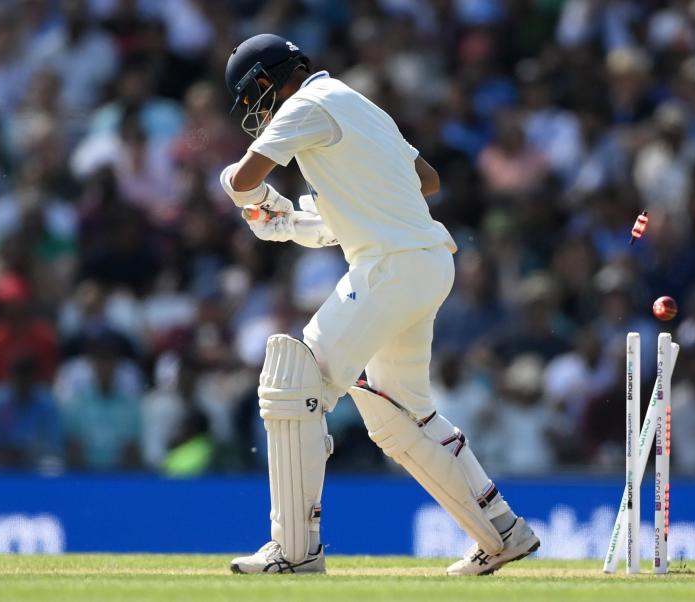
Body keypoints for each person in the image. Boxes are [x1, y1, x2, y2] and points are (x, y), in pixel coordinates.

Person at [219, 34, 538, 576]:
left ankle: (295, 551)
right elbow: (426, 181)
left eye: (254, 102)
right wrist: (295, 222)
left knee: (295, 379)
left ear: (267, 83)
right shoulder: (356, 103)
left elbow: (246, 178)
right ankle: (501, 530)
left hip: (390, 267)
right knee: (393, 410)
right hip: (424, 262)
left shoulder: (305, 105)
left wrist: (244, 194)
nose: (258, 114)